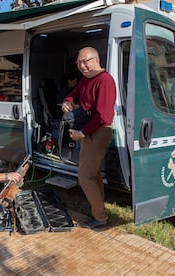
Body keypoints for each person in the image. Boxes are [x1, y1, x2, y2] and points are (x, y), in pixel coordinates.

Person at [61, 47, 116, 229]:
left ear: (96, 59)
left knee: (85, 177)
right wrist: (67, 102)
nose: (82, 66)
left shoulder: (105, 80)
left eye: (86, 61)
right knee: (94, 175)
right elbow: (73, 95)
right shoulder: (86, 79)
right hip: (89, 131)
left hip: (98, 132)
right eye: (79, 62)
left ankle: (100, 218)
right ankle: (100, 213)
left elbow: (104, 116)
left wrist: (82, 134)